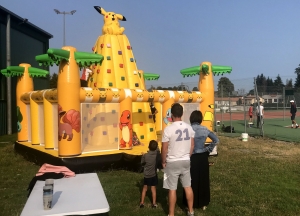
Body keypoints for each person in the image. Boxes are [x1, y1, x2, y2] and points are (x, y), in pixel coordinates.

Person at [161, 103, 195, 216]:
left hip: (172, 161)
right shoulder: (189, 127)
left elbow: (164, 149)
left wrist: (163, 161)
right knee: (187, 186)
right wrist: (187, 156)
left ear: (171, 114)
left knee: (172, 189)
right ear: (182, 113)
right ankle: (191, 211)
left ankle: (171, 214)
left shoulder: (168, 129)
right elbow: (192, 145)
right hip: (185, 160)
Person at [183, 110, 219, 210]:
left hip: (191, 156)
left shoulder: (187, 129)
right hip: (203, 156)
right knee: (203, 180)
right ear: (200, 119)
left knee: (190, 180)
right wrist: (208, 150)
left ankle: (189, 204)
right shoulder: (204, 129)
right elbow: (216, 140)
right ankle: (203, 203)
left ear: (191, 118)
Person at [140, 140, 160, 208]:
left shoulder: (145, 156)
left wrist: (142, 156)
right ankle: (154, 203)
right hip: (153, 175)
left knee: (145, 188)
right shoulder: (156, 155)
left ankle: (142, 202)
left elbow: (142, 163)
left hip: (146, 175)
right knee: (153, 188)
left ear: (148, 147)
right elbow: (158, 151)